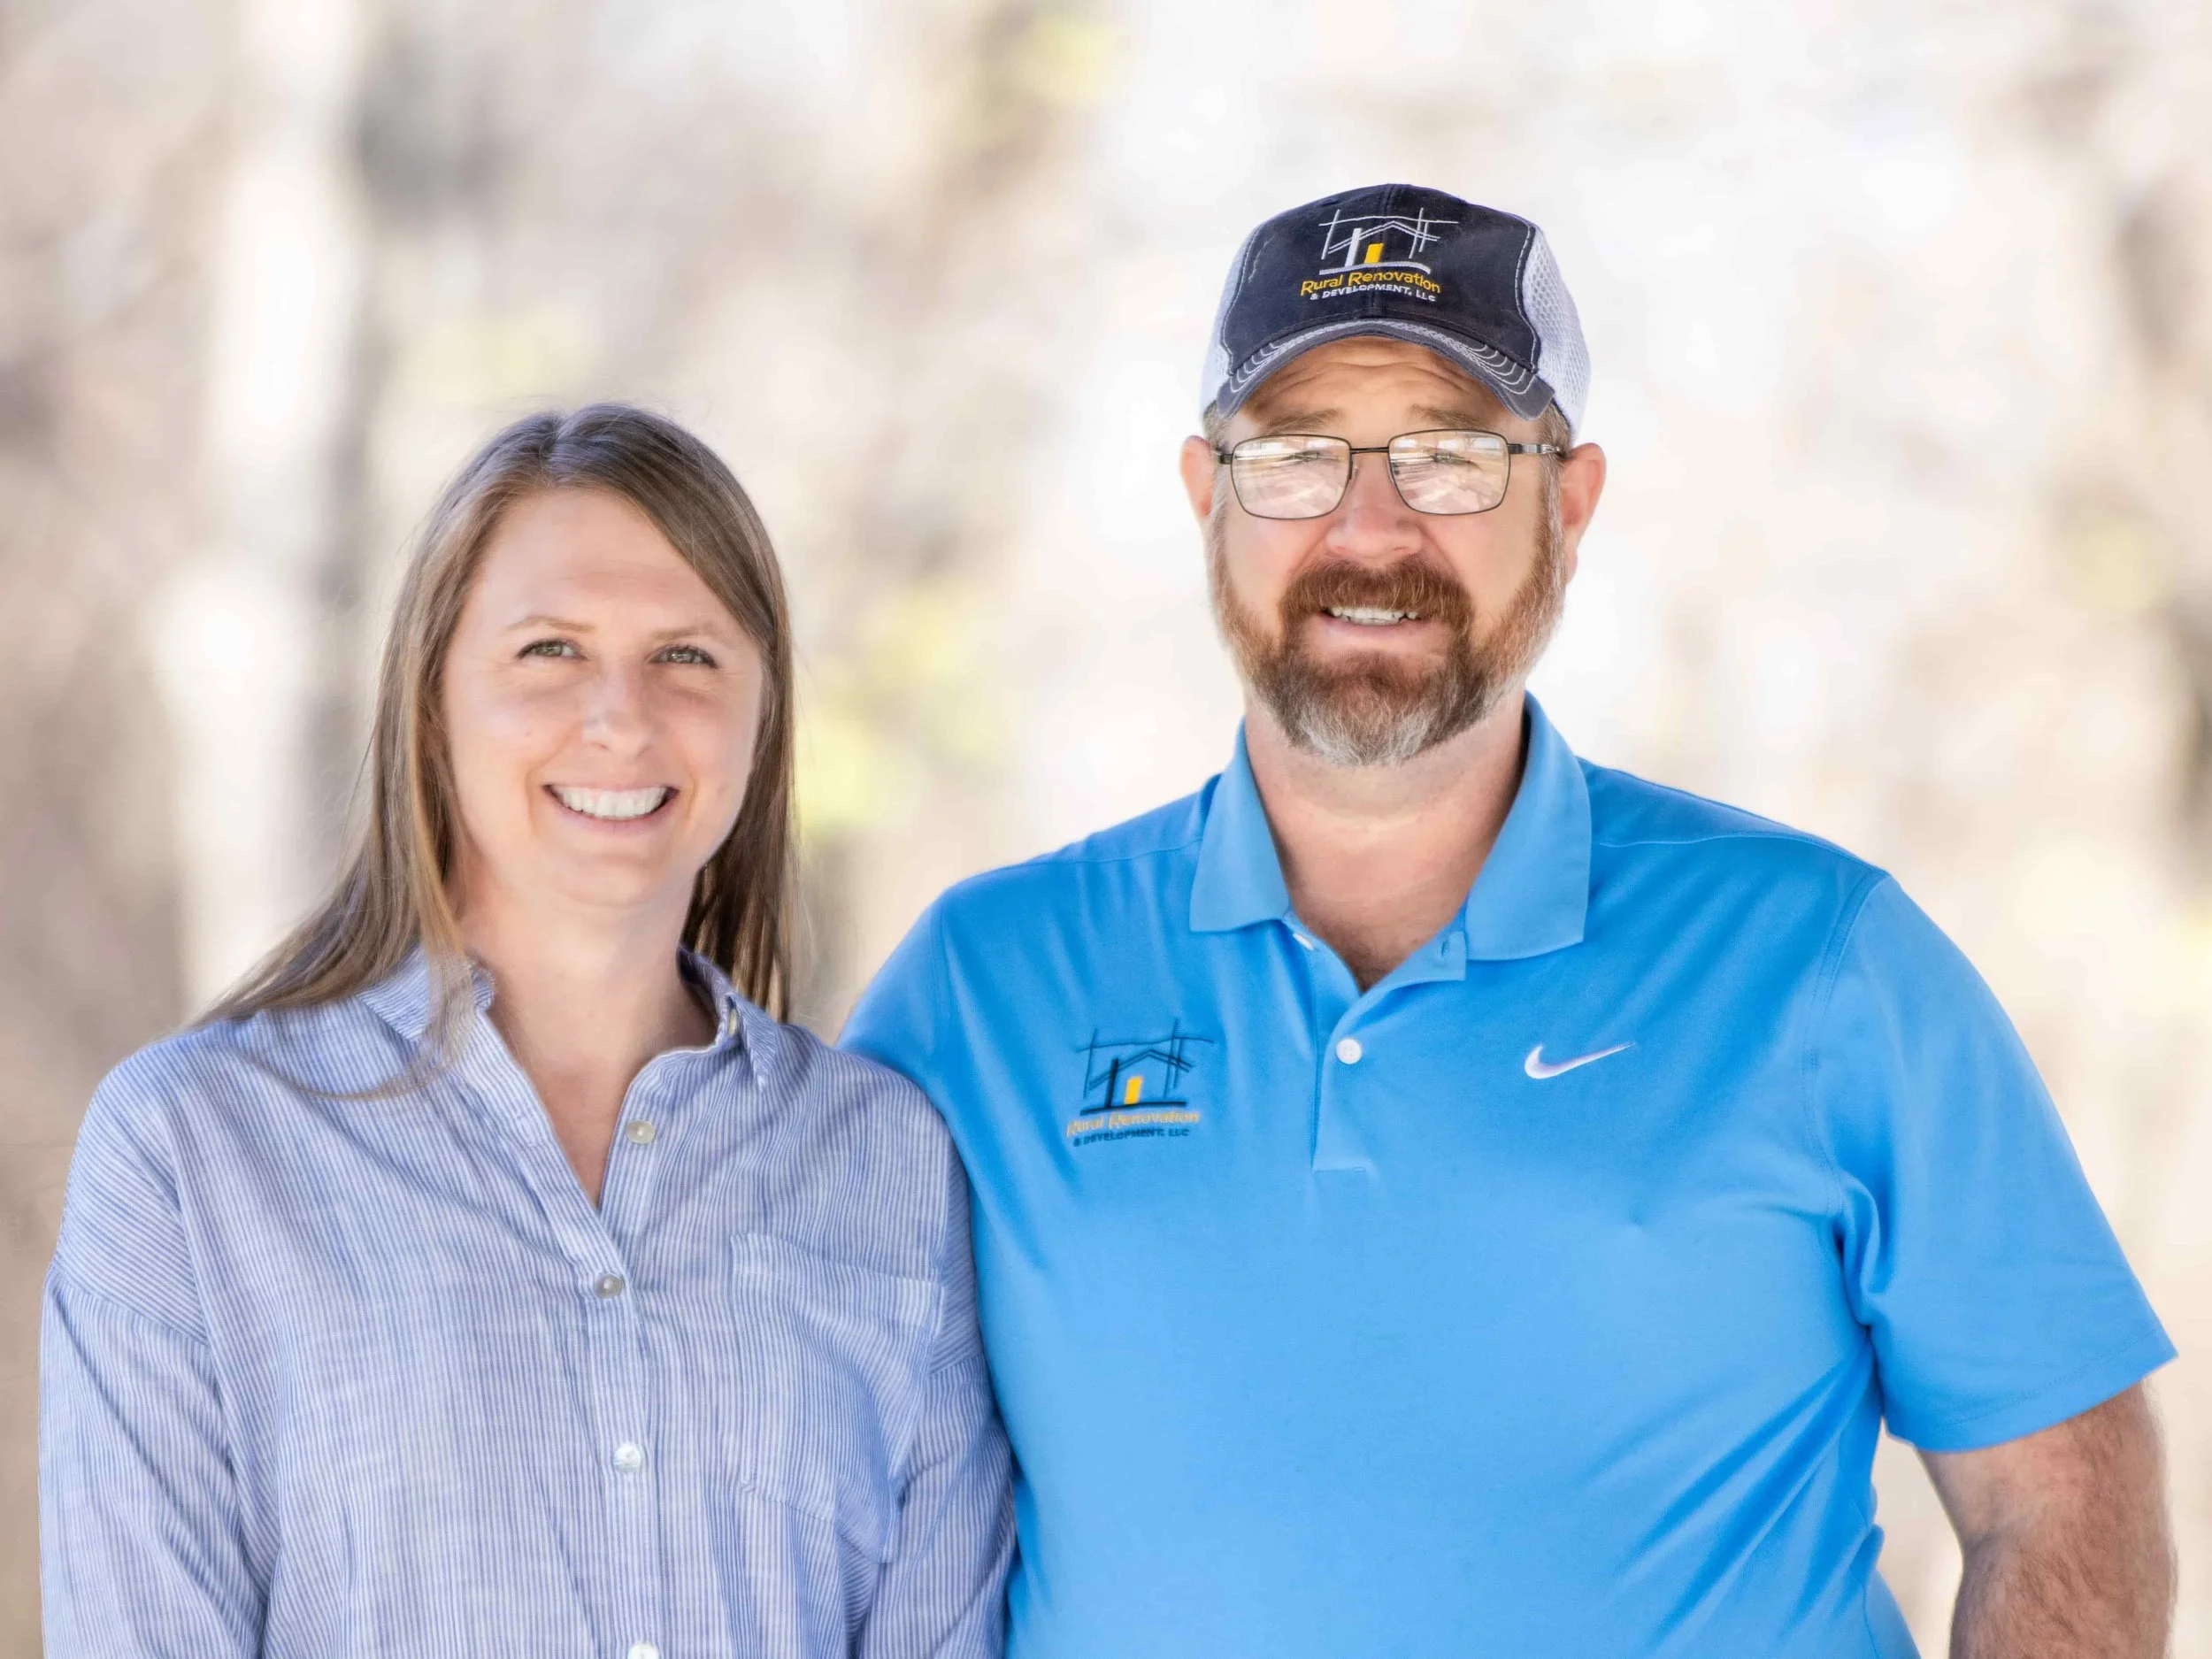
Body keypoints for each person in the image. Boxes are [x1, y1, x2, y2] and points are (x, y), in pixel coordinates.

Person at [842, 185, 2177, 1656]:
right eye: (1293, 456)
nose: (1369, 524)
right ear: (1204, 494)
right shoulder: (984, 988)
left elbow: (2060, 1486)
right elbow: (798, 1473)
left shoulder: (1818, 961)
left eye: (1453, 456)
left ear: (1572, 499)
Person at [42, 404, 1012, 1659]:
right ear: (430, 697)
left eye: (689, 656)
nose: (622, 715)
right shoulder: (192, 1156)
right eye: (550, 648)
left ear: (764, 711)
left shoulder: (888, 1165)